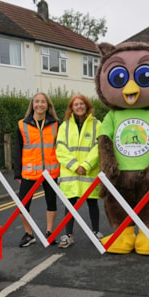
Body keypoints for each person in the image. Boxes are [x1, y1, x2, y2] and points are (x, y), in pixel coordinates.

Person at [55, 94, 103, 248]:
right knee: (70, 205)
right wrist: (76, 166)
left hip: (88, 172)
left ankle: (95, 232)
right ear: (71, 108)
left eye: (81, 103)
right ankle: (68, 235)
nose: (79, 106)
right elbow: (60, 149)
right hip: (71, 173)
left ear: (87, 106)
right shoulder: (65, 126)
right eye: (75, 104)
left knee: (92, 203)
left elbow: (99, 147)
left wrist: (87, 165)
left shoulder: (97, 124)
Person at [14, 92, 60, 247]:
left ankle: (49, 233)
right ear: (32, 104)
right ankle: (28, 234)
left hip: (51, 171)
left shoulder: (56, 124)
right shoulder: (22, 124)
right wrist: (17, 172)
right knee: (23, 205)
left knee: (51, 203)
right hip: (29, 171)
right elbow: (17, 149)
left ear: (48, 105)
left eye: (43, 102)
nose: (39, 104)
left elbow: (60, 148)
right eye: (37, 102)